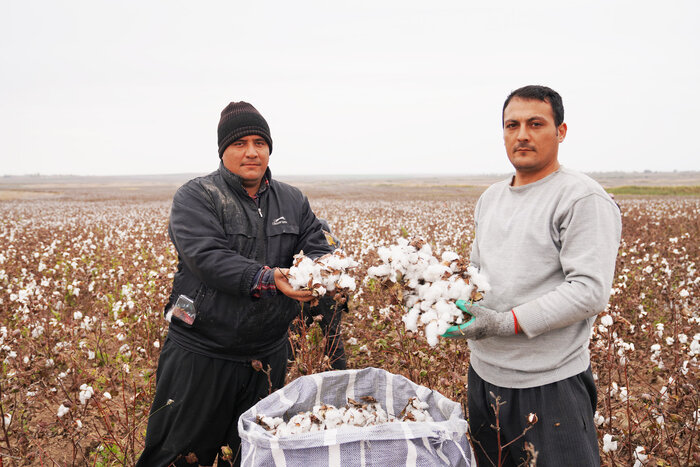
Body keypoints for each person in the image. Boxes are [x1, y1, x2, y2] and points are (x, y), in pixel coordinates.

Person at [137, 101, 334, 466]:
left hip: (267, 356)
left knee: (253, 456)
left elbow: (319, 248)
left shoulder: (292, 200)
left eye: (259, 143)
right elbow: (208, 258)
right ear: (222, 150)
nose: (251, 152)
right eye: (240, 143)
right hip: (200, 353)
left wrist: (322, 273)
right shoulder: (197, 197)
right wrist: (270, 278)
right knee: (176, 455)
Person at [443, 85, 621, 466]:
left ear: (561, 131)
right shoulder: (491, 197)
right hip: (484, 377)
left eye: (535, 123)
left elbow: (588, 291)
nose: (521, 134)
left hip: (550, 383)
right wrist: (445, 301)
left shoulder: (580, 198)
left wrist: (504, 323)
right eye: (512, 125)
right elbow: (477, 275)